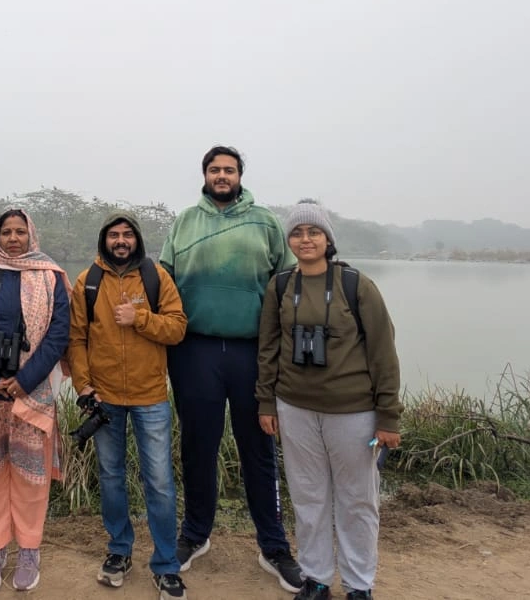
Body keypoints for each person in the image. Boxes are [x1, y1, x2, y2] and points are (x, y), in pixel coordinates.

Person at [159, 145, 305, 592]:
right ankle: (195, 534)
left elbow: (289, 283)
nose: (221, 175)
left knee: (258, 447)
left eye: (229, 169)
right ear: (204, 174)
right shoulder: (185, 222)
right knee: (197, 446)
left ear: (240, 175)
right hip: (194, 350)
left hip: (251, 351)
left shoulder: (265, 222)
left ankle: (273, 546)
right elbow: (163, 281)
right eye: (214, 169)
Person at [258, 201, 402, 600]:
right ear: (289, 241)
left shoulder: (356, 286)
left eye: (314, 232)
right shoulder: (280, 286)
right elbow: (268, 348)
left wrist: (388, 416)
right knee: (308, 497)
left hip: (352, 411)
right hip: (294, 407)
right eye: (297, 233)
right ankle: (316, 578)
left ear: (328, 239)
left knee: (358, 499)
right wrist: (266, 402)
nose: (305, 240)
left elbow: (384, 353)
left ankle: (359, 584)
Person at [67, 212, 189, 600]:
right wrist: (84, 385)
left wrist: (139, 318)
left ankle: (166, 565)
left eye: (127, 235)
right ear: (104, 240)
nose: (121, 241)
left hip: (149, 395)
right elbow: (76, 339)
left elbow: (177, 328)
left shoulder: (156, 277)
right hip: (104, 398)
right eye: (114, 235)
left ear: (137, 239)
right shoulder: (88, 281)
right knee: (111, 477)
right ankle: (119, 551)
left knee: (160, 482)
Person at [0, 209, 70, 594]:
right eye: (7, 232)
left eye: (21, 232)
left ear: (31, 235)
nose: (14, 238)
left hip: (32, 392)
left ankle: (29, 550)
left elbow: (58, 334)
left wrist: (25, 379)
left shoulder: (50, 278)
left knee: (29, 474)